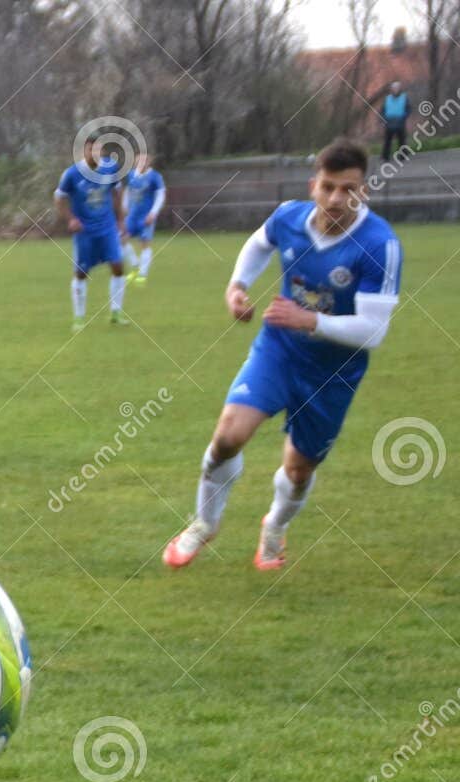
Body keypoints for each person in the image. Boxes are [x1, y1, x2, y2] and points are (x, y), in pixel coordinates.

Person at [163, 140, 400, 572]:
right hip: (279, 350)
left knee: (298, 470)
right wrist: (237, 287)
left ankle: (273, 527)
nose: (335, 199)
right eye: (328, 187)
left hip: (334, 372)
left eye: (348, 189)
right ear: (313, 185)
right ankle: (204, 522)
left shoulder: (379, 244)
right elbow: (258, 244)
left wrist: (311, 321)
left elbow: (374, 331)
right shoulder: (289, 217)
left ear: (363, 191)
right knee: (227, 437)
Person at [56, 136, 128, 331]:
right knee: (81, 273)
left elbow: (117, 192)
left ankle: (116, 313)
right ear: (83, 151)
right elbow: (59, 198)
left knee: (118, 266)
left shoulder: (110, 168)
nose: (94, 153)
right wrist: (71, 219)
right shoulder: (72, 174)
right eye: (90, 150)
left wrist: (121, 220)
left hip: (107, 228)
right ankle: (79, 318)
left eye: (98, 150)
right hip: (85, 232)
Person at [121, 152, 166, 284]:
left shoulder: (155, 177)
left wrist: (153, 213)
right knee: (121, 239)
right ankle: (135, 265)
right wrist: (124, 206)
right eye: (139, 160)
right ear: (135, 162)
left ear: (149, 162)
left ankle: (142, 274)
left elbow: (160, 195)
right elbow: (127, 191)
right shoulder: (131, 176)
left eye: (145, 160)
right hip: (132, 215)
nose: (142, 162)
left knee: (144, 244)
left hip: (146, 216)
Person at [381, 81, 410, 161]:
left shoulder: (404, 97)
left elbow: (408, 109)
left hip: (400, 121)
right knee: (387, 141)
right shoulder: (387, 98)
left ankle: (403, 156)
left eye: (397, 88)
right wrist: (384, 118)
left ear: (400, 89)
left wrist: (404, 117)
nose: (395, 89)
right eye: (394, 88)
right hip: (389, 122)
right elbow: (383, 109)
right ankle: (385, 157)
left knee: (402, 140)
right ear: (391, 89)